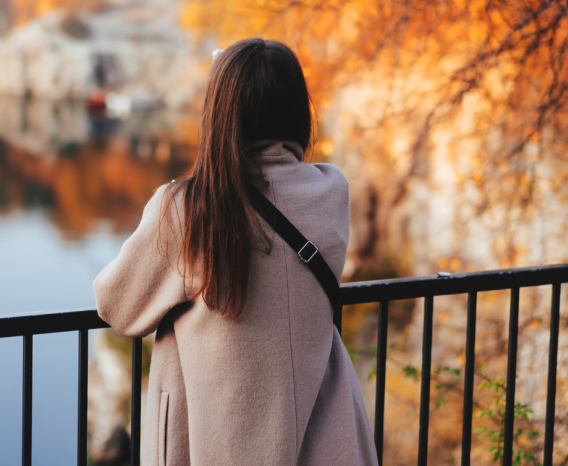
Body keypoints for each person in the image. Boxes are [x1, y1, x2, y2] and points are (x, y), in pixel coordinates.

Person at [93, 38, 376, 466]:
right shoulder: (330, 192)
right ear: (296, 110)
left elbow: (116, 305)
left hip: (211, 444)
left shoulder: (187, 209)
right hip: (322, 442)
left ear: (219, 113)